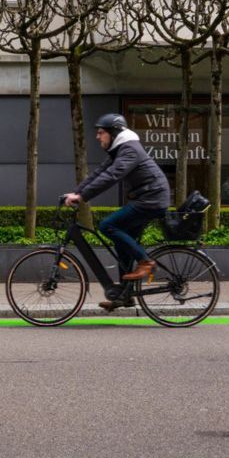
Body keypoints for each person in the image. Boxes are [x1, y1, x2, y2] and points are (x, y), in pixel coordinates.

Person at [62, 113, 171, 312]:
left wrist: (83, 197)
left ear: (114, 133)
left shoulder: (129, 150)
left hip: (151, 199)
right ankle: (125, 295)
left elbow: (113, 176)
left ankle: (146, 262)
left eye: (101, 132)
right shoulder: (119, 150)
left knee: (107, 225)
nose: (97, 137)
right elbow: (99, 173)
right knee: (123, 245)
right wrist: (77, 192)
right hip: (146, 198)